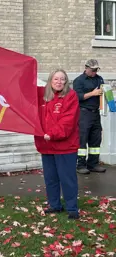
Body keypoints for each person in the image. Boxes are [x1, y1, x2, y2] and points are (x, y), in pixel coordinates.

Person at [34, 69, 80, 219]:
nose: (59, 82)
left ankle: (72, 207)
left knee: (67, 178)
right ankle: (54, 205)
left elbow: (68, 121)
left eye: (62, 79)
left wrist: (51, 134)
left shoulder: (70, 96)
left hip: (65, 147)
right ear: (50, 80)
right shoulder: (41, 94)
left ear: (66, 82)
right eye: (56, 79)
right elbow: (23, 93)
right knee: (51, 178)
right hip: (46, 146)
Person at [73, 59, 106, 174]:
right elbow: (77, 97)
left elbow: (104, 92)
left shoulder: (99, 79)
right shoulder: (79, 81)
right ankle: (80, 165)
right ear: (86, 68)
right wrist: (92, 93)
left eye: (96, 70)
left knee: (96, 139)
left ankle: (93, 164)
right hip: (84, 113)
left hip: (96, 113)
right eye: (92, 70)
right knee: (82, 139)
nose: (94, 72)